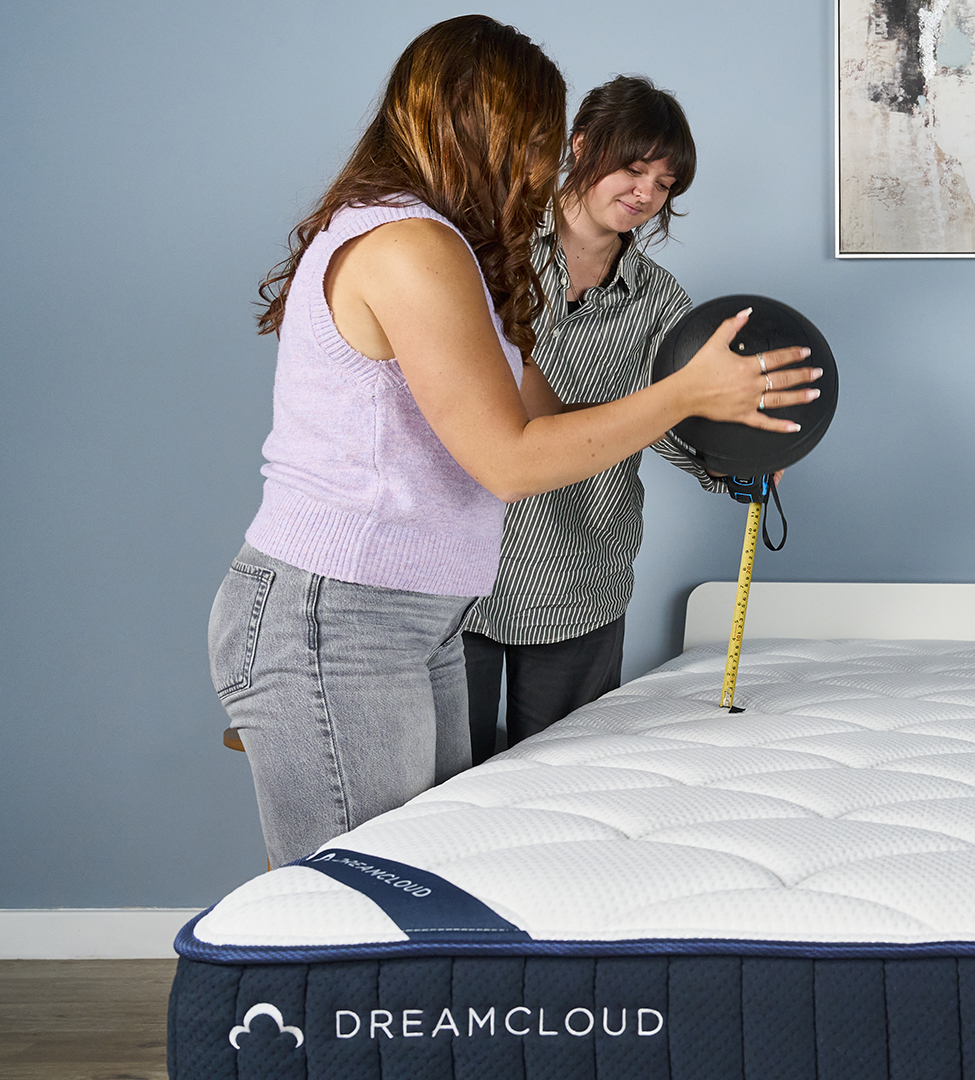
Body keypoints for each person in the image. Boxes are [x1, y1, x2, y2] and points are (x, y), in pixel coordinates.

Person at [206, 16, 821, 868]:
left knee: (434, 873)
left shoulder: (458, 251)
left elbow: (551, 421)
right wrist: (688, 391)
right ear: (475, 124)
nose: (540, 165)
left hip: (418, 611)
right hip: (341, 613)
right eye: (535, 138)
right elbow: (510, 461)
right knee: (358, 898)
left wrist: (726, 444)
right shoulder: (412, 246)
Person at [462, 76, 717, 763]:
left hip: (580, 573)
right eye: (633, 168)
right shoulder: (485, 252)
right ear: (580, 145)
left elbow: (672, 414)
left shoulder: (662, 301)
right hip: (459, 571)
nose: (646, 193)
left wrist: (735, 464)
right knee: (440, 788)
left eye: (665, 183)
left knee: (567, 786)